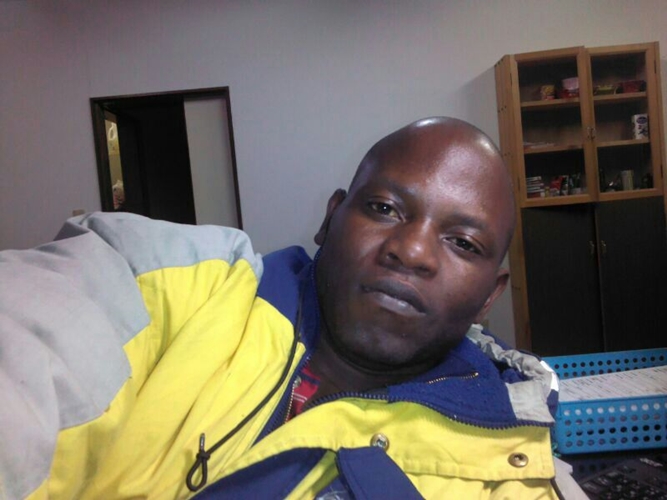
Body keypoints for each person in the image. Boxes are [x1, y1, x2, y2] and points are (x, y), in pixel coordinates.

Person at [0, 117, 569, 499]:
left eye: (463, 243)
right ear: (330, 218)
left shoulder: (509, 474)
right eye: (385, 208)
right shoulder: (168, 278)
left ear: (490, 295)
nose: (412, 251)